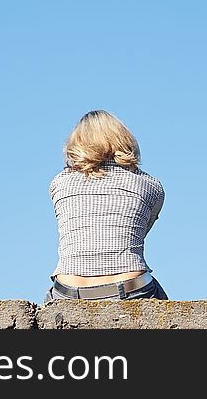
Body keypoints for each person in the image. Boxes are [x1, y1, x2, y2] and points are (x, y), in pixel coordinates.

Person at [45, 110, 167, 301]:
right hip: (131, 289)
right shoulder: (150, 185)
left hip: (69, 291)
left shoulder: (60, 183)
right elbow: (140, 231)